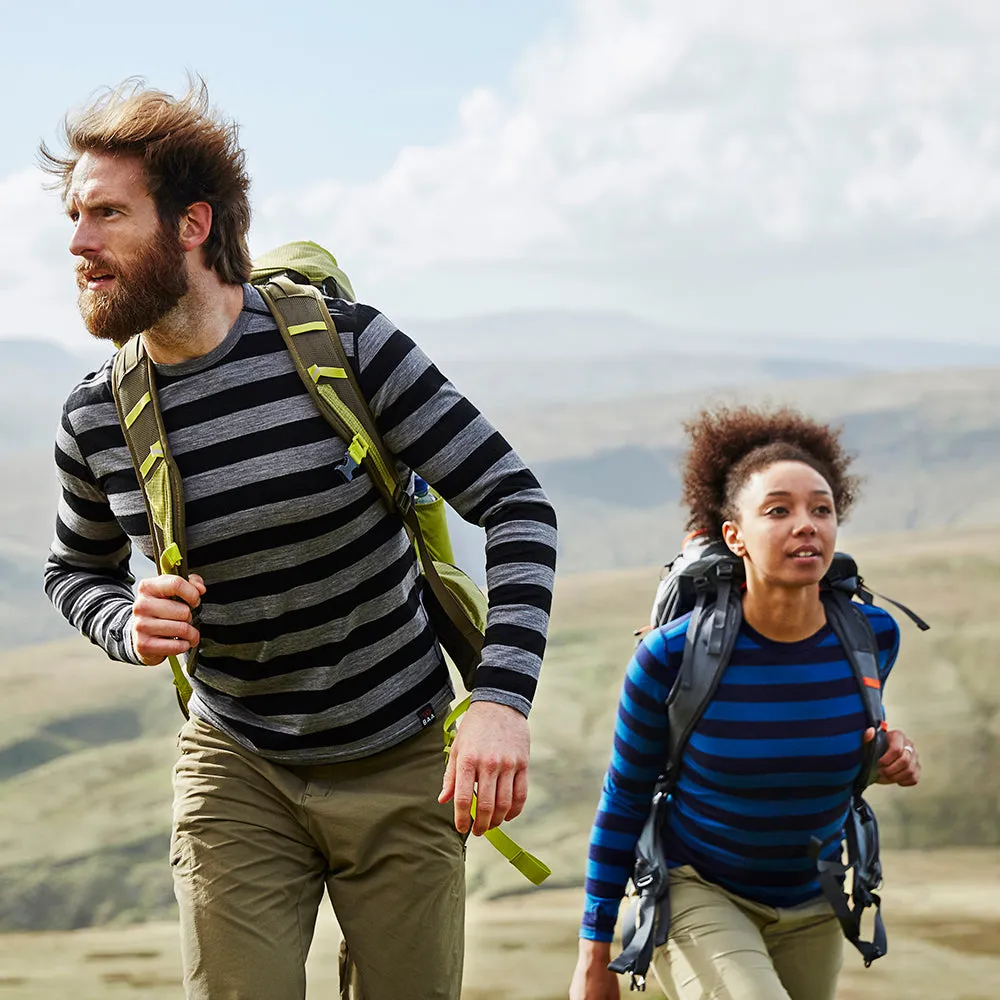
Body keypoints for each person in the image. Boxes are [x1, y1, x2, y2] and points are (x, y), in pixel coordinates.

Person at [41, 79, 557, 1000]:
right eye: (75, 216)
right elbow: (74, 569)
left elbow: (516, 500)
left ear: (192, 224)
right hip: (238, 765)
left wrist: (501, 701)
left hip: (402, 756)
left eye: (107, 213)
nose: (78, 243)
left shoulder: (348, 349)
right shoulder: (95, 419)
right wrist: (128, 622)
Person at [569, 406, 920, 1000]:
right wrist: (593, 954)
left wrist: (886, 755)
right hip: (698, 891)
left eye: (821, 509)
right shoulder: (671, 657)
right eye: (778, 510)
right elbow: (624, 797)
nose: (805, 524)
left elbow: (826, 737)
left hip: (815, 901)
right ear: (734, 536)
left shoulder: (873, 637)